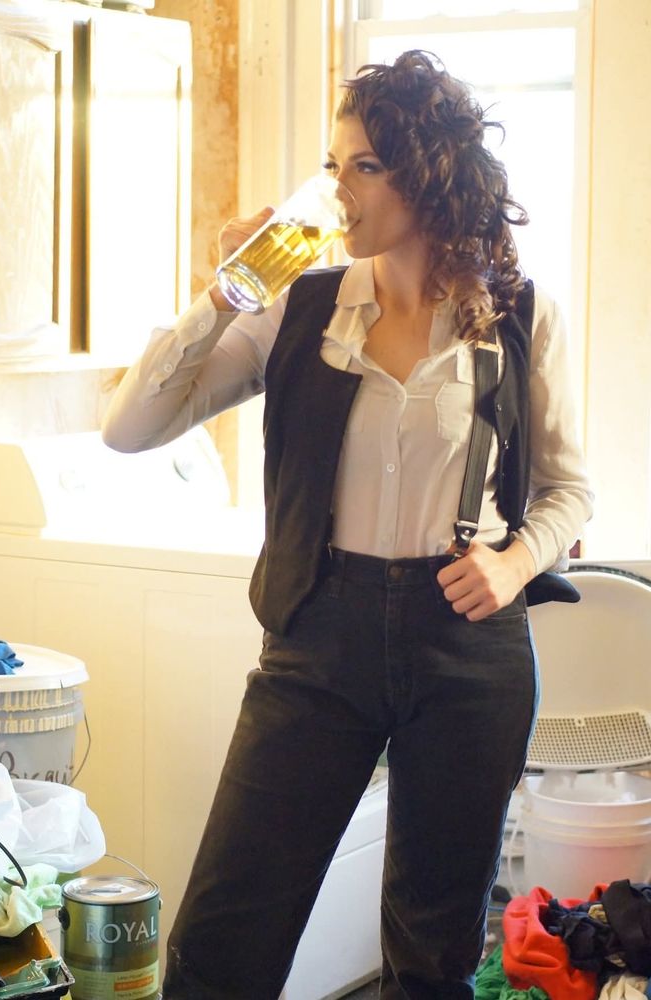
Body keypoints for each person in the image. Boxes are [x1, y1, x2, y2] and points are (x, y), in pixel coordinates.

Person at [102, 49, 593, 1000]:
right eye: (334, 166)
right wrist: (226, 292)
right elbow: (129, 429)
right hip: (320, 634)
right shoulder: (298, 307)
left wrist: (514, 561)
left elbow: (570, 490)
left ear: (429, 172)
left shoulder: (523, 316)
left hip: (470, 649)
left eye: (362, 165)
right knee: (222, 939)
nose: (339, 190)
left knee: (433, 950)